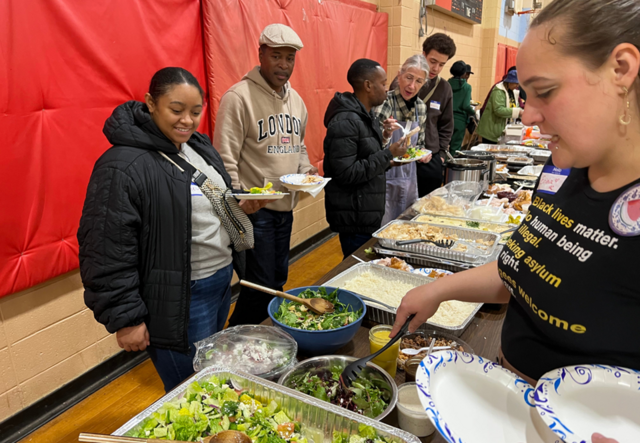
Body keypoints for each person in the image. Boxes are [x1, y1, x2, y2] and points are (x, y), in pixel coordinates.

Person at [391, 1, 640, 442]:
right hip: (507, 399)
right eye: (525, 96)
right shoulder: (564, 169)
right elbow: (521, 268)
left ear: (621, 69)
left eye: (545, 92)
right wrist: (437, 288)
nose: (526, 115)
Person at [78, 68, 265, 392]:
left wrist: (241, 204)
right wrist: (127, 319)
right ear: (151, 103)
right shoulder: (122, 166)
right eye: (176, 110)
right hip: (179, 298)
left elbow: (209, 202)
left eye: (196, 111)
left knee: (213, 378)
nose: (187, 121)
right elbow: (106, 248)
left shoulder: (196, 146)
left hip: (219, 283)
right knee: (192, 391)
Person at [214, 24, 317, 326]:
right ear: (261, 54)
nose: (284, 65)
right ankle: (234, 343)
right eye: (277, 56)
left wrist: (307, 170)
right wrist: (237, 206)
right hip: (253, 212)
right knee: (260, 287)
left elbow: (298, 148)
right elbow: (224, 159)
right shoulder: (238, 97)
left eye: (290, 58)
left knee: (277, 280)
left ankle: (262, 343)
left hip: (285, 207)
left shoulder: (296, 101)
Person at [323, 59, 408, 258]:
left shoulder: (364, 115)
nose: (387, 89)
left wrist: (387, 146)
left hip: (365, 211)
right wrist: (388, 154)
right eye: (384, 83)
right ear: (368, 85)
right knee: (356, 265)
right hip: (354, 216)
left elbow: (368, 157)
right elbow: (347, 172)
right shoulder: (346, 121)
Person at [391, 33, 456, 197]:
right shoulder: (403, 80)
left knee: (428, 205)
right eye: (433, 61)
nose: (436, 68)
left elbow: (446, 125)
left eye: (442, 64)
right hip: (402, 156)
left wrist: (441, 154)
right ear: (423, 54)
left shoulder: (444, 87)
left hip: (429, 156)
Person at [373, 54, 432, 226]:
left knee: (407, 225)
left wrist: (423, 154)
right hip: (385, 173)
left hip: (409, 176)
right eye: (409, 78)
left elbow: (419, 143)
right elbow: (373, 145)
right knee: (384, 226)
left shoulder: (420, 107)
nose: (412, 86)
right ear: (399, 75)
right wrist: (385, 133)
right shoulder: (385, 101)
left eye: (419, 81)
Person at [476, 70, 523, 144]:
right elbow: (498, 110)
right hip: (492, 129)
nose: (518, 86)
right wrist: (518, 111)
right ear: (509, 82)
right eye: (516, 84)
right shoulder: (498, 91)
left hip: (503, 128)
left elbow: (515, 106)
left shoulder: (513, 91)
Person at [448, 61, 476, 155]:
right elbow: (465, 106)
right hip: (459, 120)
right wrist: (473, 113)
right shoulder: (466, 87)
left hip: (446, 118)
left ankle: (442, 167)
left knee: (443, 146)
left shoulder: (446, 84)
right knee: (455, 147)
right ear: (464, 73)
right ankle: (451, 168)